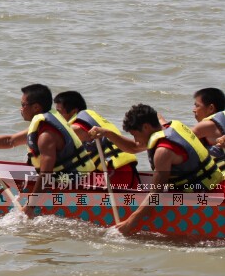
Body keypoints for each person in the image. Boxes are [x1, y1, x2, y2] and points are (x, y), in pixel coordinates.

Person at [91, 104, 224, 235]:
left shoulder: (163, 151)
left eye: (135, 134)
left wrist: (128, 224)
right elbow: (134, 147)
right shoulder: (169, 127)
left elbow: (156, 195)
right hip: (216, 188)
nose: (136, 139)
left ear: (146, 127)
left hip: (208, 199)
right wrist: (106, 133)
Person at [0, 84, 96, 212]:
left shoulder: (46, 136)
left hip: (71, 183)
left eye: (23, 105)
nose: (20, 109)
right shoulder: (43, 124)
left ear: (36, 107)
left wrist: (30, 207)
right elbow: (10, 141)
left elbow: (46, 175)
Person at [53, 91, 140, 189]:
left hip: (114, 175)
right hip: (130, 175)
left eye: (59, 112)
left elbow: (69, 134)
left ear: (73, 111)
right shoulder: (95, 118)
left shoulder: (83, 118)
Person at [187, 87, 225, 170]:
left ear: (211, 108)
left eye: (197, 106)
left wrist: (160, 121)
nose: (194, 110)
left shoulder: (207, 125)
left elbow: (177, 137)